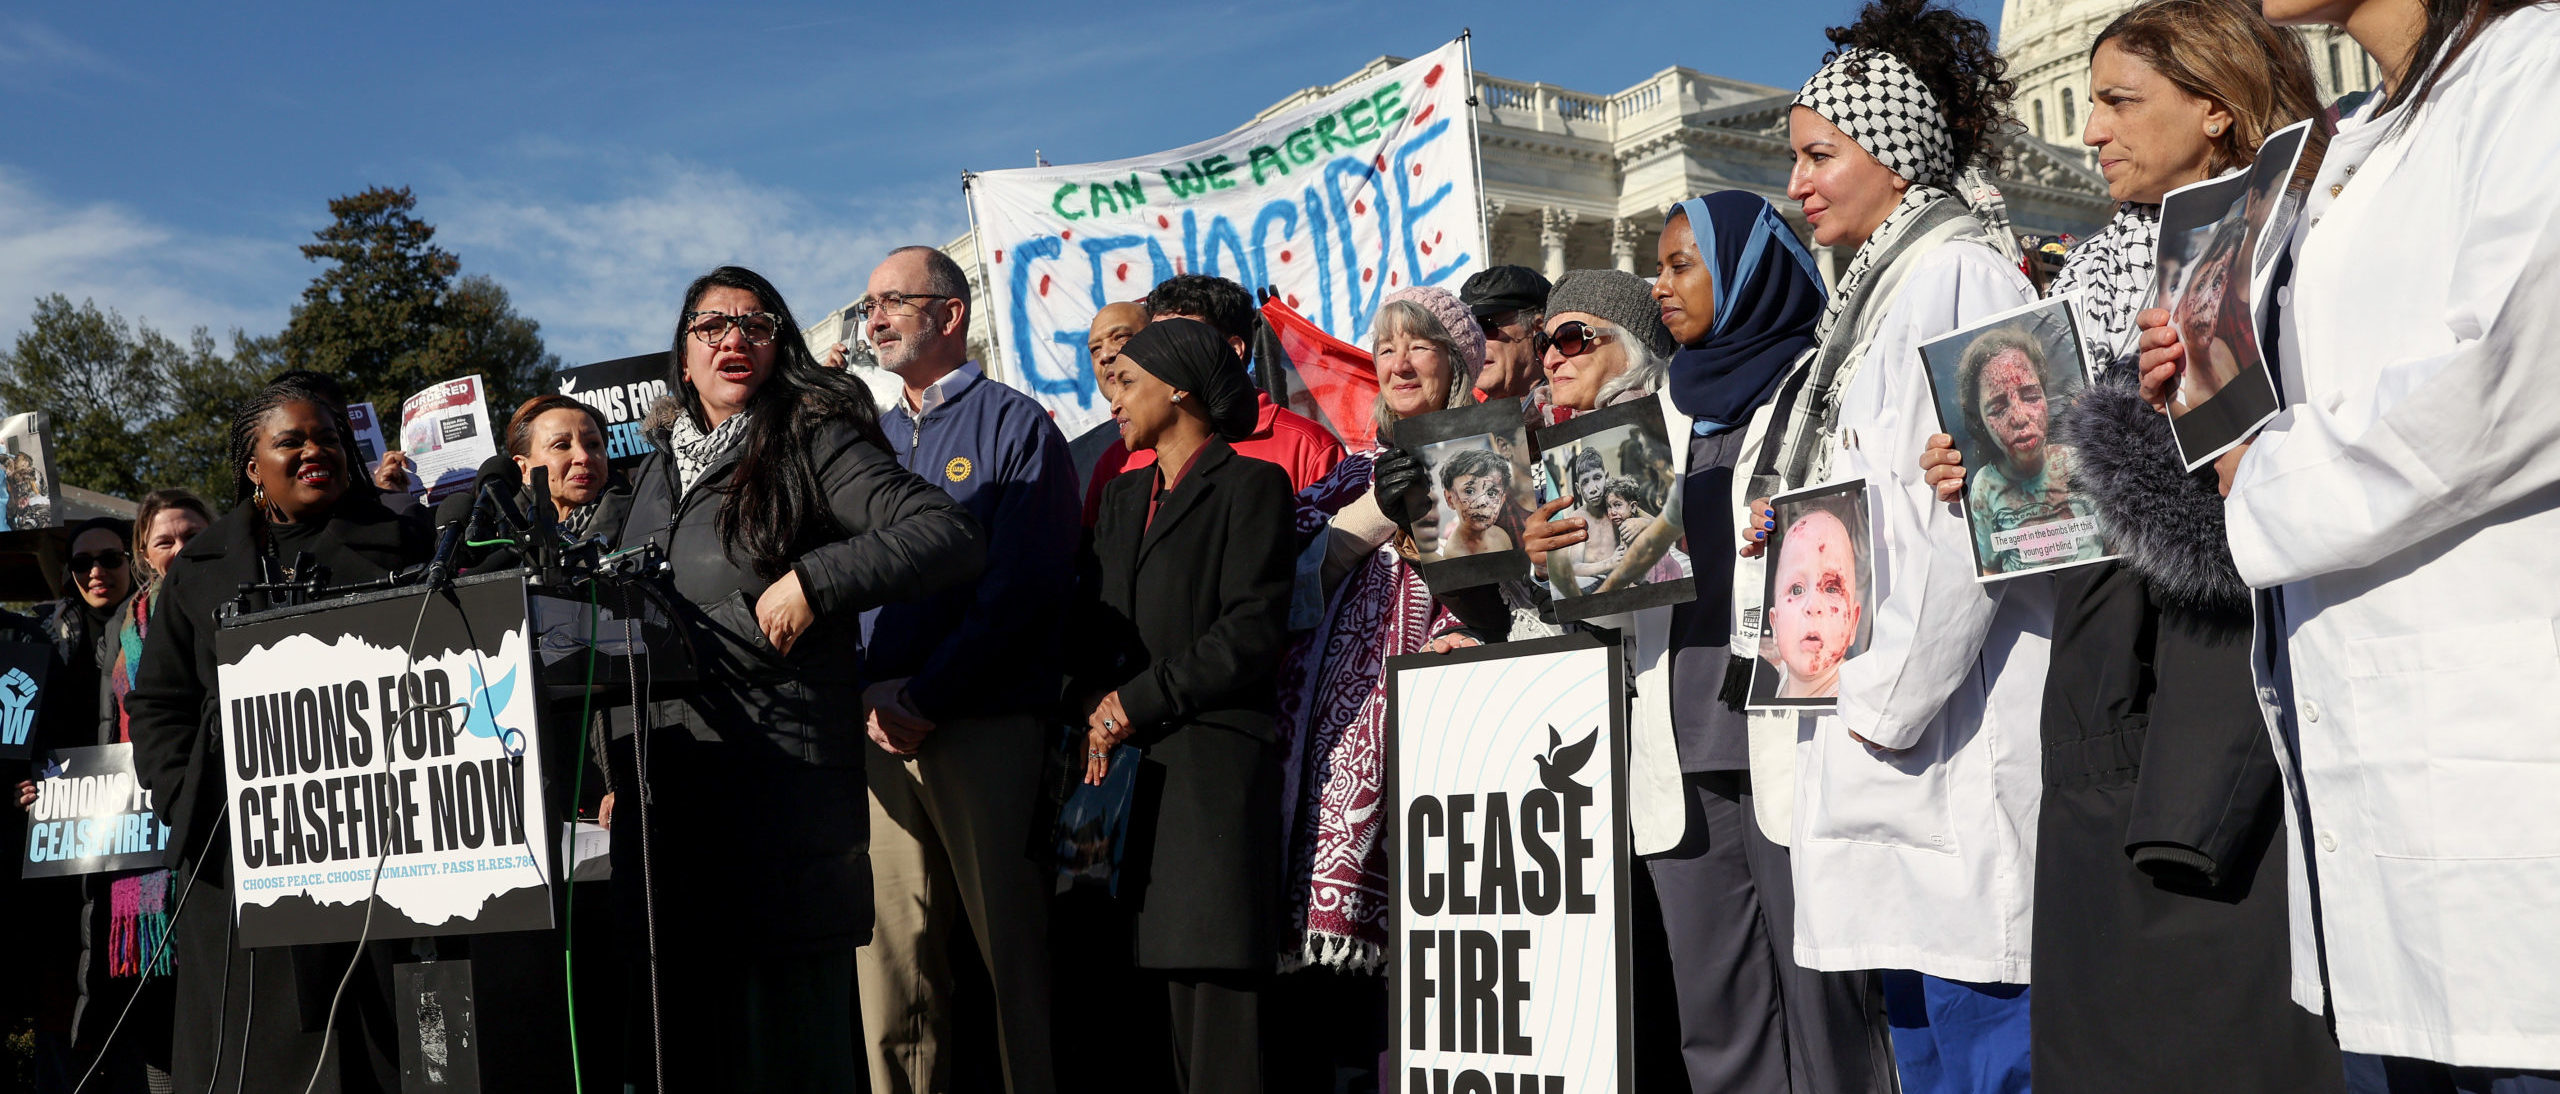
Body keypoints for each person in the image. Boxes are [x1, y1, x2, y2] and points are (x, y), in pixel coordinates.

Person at [1912, 5, 2348, 1090]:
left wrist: (2132, 430)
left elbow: (2262, 499)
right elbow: (2090, 531)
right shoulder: (2087, 280)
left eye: (2118, 102)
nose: (2090, 132)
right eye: (2087, 101)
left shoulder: (2291, 239)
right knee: (2103, 1030)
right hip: (2099, 691)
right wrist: (2002, 481)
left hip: (2221, 693)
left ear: (2212, 108)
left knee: (2221, 1026)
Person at [2133, 0, 2560, 1087]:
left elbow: (2511, 378)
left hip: (2496, 735)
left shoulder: (2536, 70)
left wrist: (2258, 469)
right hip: (2361, 763)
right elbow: (2295, 401)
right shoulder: (2351, 141)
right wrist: (2198, 389)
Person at [1739, 4, 2049, 1090]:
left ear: (1896, 150)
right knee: (1923, 1050)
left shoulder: (1963, 278)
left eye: (1820, 155)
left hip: (1938, 740)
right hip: (1879, 743)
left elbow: (1997, 520)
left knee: (1988, 1049)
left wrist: (1880, 703)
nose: (1799, 184)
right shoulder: (1873, 300)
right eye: (1795, 158)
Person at [615, 266, 985, 1092]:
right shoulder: (647, 478)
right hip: (674, 813)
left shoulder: (812, 437)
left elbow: (947, 532)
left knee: (784, 1052)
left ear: (780, 346)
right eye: (712, 326)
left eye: (755, 324)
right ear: (683, 354)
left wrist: (816, 581)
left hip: (780, 814)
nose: (733, 340)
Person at [126, 370, 436, 1093]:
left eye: (327, 438)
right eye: (289, 441)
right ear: (251, 463)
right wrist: (186, 797)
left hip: (383, 854)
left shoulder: (410, 544)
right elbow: (160, 705)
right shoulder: (197, 572)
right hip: (239, 861)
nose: (313, 452)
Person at [850, 244, 1076, 1094]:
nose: (873, 320)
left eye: (892, 302)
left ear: (950, 314)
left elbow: (1025, 589)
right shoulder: (861, 442)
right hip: (878, 733)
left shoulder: (1015, 425)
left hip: (980, 727)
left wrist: (928, 693)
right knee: (892, 973)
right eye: (866, 307)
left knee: (1014, 961)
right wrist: (870, 696)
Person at [1269, 284, 1490, 1091]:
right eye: (1386, 345)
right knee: (1340, 1025)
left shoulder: (1501, 458)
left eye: (1420, 344)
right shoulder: (1346, 473)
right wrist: (1372, 513)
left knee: (1425, 999)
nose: (1398, 361)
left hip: (1446, 755)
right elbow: (1286, 589)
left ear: (1458, 363)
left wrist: (1435, 516)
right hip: (1335, 760)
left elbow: (1508, 600)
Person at [1069, 317, 1295, 1093]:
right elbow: (1089, 622)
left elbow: (1250, 631)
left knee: (1216, 1006)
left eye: (1128, 382)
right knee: (1127, 1007)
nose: (1114, 398)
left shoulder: (1252, 486)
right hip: (1113, 782)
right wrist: (1091, 703)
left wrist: (1131, 702)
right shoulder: (1122, 494)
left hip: (1208, 776)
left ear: (1182, 391)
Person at [75, 492, 213, 1094]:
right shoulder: (118, 631)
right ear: (144, 553)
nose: (181, 550)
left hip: (220, 830)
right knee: (155, 996)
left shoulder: (245, 598)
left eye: (193, 535)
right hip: (142, 843)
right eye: (166, 540)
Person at [1078, 274, 1344, 525]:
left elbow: (1330, 559)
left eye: (1177, 341)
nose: (1158, 358)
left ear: (1233, 349)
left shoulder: (1308, 448)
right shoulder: (1119, 462)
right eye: (1154, 343)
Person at [1954, 327, 2099, 571]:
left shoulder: (2078, 461)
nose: (2019, 418)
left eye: (2030, 396)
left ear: (2044, 395)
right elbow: (1989, 567)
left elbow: (2115, 544)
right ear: (1979, 420)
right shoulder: (1984, 487)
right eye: (1998, 407)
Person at [1765, 503, 1864, 699]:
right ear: (1775, 625)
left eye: (1831, 588)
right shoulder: (1782, 674)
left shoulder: (1850, 699)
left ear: (1853, 623)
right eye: (1797, 589)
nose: (1813, 606)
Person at [1071, 302, 1149, 485]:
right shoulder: (1073, 460)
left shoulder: (1209, 433)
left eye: (1120, 337)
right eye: (1095, 349)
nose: (1105, 355)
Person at [1459, 264, 1552, 403]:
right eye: (1466, 331)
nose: (1473, 340)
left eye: (1486, 326)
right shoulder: (1460, 419)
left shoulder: (1571, 410)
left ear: (1537, 329)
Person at [1424, 447, 1514, 560]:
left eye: (1492, 493)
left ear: (1502, 500)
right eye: (1469, 491)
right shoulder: (1454, 554)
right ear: (1450, 499)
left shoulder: (1502, 536)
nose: (1482, 502)